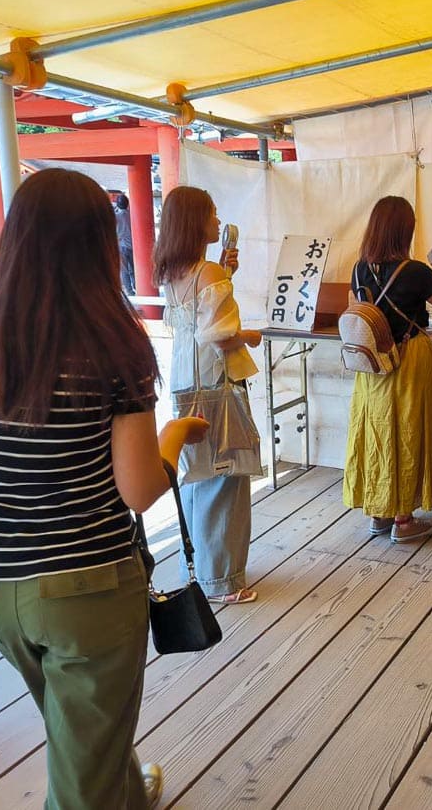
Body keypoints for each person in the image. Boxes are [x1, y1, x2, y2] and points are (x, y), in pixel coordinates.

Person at [0, 169, 206, 809]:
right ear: (100, 250)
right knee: (83, 762)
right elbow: (138, 491)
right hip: (89, 584)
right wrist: (175, 435)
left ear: (14, 239)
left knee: (74, 720)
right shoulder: (114, 349)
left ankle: (124, 788)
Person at [154, 186, 261, 604]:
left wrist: (225, 273)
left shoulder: (175, 272)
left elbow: (197, 326)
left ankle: (197, 569)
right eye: (213, 215)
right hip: (217, 385)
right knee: (226, 476)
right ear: (197, 221)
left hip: (186, 382)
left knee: (197, 475)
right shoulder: (208, 274)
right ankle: (223, 580)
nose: (219, 222)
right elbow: (222, 337)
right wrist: (249, 335)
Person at [345, 195, 432, 542]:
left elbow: (356, 309)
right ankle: (404, 520)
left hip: (372, 365)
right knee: (409, 429)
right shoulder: (413, 271)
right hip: (409, 359)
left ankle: (379, 513)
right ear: (405, 231)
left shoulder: (358, 268)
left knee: (379, 432)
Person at [115, 193, 137, 295]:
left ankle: (129, 291)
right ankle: (138, 286)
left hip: (121, 246)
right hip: (134, 246)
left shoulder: (116, 217)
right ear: (127, 203)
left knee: (124, 270)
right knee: (134, 268)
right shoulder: (132, 215)